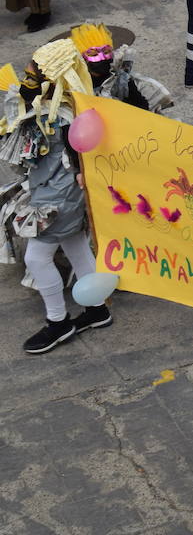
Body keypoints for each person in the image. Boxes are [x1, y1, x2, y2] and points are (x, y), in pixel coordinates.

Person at [0, 39, 113, 354]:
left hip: (60, 197)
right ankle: (97, 310)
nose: (28, 79)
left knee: (36, 259)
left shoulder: (66, 116)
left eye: (34, 74)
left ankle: (58, 322)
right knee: (76, 246)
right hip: (54, 191)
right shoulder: (54, 107)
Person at [69, 23, 173, 113]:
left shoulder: (120, 79)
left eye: (106, 52)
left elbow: (142, 106)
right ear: (83, 60)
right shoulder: (76, 84)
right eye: (93, 54)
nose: (101, 58)